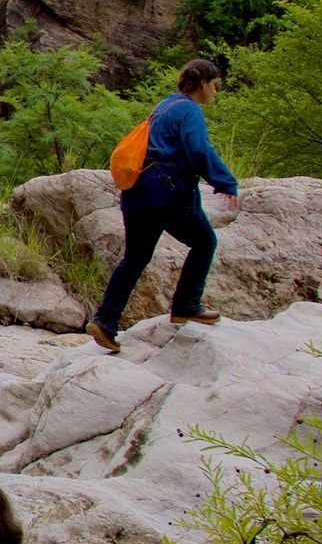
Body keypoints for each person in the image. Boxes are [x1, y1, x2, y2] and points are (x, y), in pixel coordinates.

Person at [89, 58, 239, 354]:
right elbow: (199, 149)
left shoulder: (165, 105)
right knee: (205, 241)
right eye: (215, 86)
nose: (215, 93)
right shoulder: (189, 110)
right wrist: (225, 181)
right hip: (166, 194)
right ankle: (186, 305)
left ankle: (105, 322)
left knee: (135, 258)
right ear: (204, 84)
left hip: (137, 193)